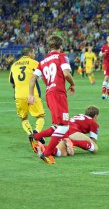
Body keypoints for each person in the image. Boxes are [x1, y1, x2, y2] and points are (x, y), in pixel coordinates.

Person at [28, 35, 75, 164]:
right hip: (58, 94)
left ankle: (35, 137)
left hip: (49, 93)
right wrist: (72, 83)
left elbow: (33, 79)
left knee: (58, 125)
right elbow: (66, 73)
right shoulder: (61, 57)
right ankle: (46, 153)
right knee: (64, 127)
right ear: (61, 46)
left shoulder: (42, 62)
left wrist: (31, 95)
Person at [9, 47, 46, 146]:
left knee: (24, 118)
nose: (34, 55)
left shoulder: (14, 65)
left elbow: (12, 83)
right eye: (33, 53)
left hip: (19, 95)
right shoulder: (34, 63)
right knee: (40, 116)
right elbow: (43, 77)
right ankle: (36, 131)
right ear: (29, 53)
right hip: (33, 94)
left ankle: (30, 133)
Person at [33, 106, 100, 157]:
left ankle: (42, 147)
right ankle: (73, 143)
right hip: (73, 132)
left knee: (62, 153)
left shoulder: (79, 115)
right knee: (95, 148)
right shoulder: (93, 123)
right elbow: (93, 141)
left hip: (62, 130)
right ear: (95, 115)